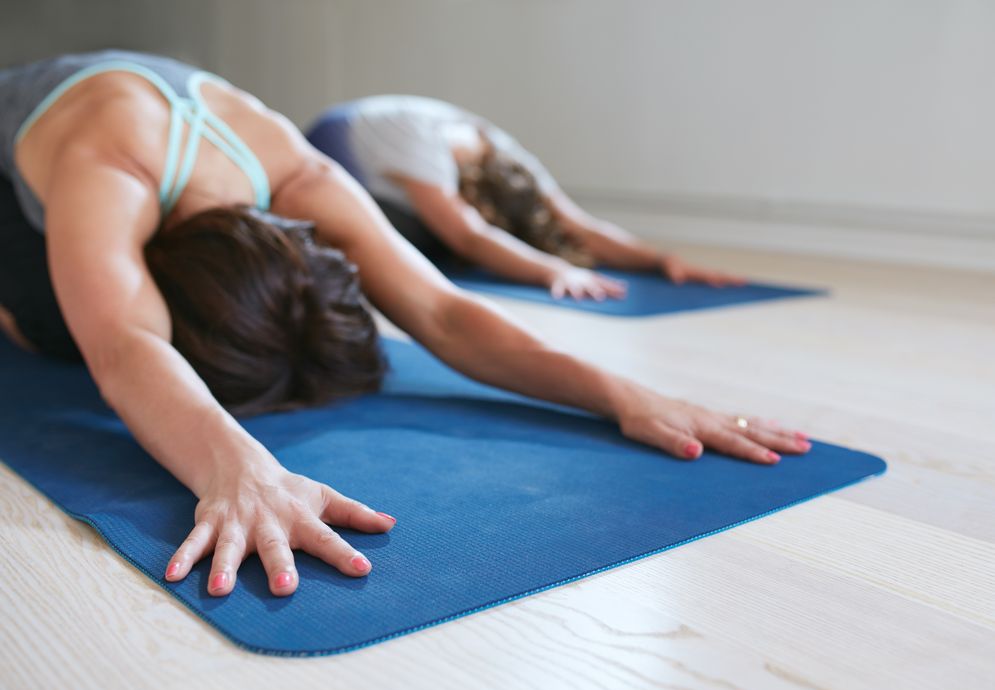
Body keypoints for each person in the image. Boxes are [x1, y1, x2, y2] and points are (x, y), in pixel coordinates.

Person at [0, 51, 810, 598]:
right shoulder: (110, 170)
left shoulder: (300, 176)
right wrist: (238, 469)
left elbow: (442, 313)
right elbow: (124, 341)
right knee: (57, 329)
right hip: (26, 159)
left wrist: (625, 394)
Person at [306, 95, 746, 301]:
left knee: (448, 239)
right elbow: (469, 236)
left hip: (391, 175)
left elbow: (577, 223)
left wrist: (658, 258)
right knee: (427, 243)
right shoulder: (424, 151)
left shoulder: (507, 153)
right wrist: (551, 268)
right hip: (322, 170)